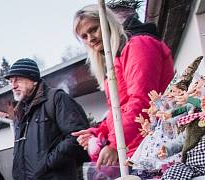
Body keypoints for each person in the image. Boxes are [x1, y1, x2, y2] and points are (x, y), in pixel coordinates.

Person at [71, 4, 174, 166]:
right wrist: (99, 132)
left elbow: (143, 101)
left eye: (93, 29)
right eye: (84, 36)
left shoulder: (139, 45)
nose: (90, 38)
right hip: (139, 148)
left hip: (156, 147)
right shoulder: (116, 58)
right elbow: (119, 111)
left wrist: (116, 144)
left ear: (108, 22)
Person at [7, 58, 89, 180]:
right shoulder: (21, 113)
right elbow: (20, 157)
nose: (13, 85)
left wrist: (48, 163)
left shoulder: (56, 99)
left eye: (17, 79)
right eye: (11, 81)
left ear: (33, 79)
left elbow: (76, 135)